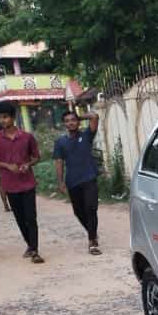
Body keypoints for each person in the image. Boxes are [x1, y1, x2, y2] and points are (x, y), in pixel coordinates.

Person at [0, 102, 43, 263]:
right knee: (20, 218)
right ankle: (30, 245)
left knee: (31, 217)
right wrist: (7, 166)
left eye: (5, 117)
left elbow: (36, 157)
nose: (2, 120)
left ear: (13, 117)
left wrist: (28, 164)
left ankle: (35, 250)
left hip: (28, 183)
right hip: (10, 184)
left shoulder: (27, 137)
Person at [53, 109, 101, 254]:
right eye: (67, 121)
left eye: (73, 120)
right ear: (64, 124)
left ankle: (92, 241)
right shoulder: (60, 142)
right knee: (78, 211)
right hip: (73, 181)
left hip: (89, 178)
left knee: (91, 208)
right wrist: (60, 182)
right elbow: (59, 162)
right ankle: (92, 232)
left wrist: (79, 116)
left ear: (78, 122)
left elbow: (94, 116)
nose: (70, 123)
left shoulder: (87, 135)